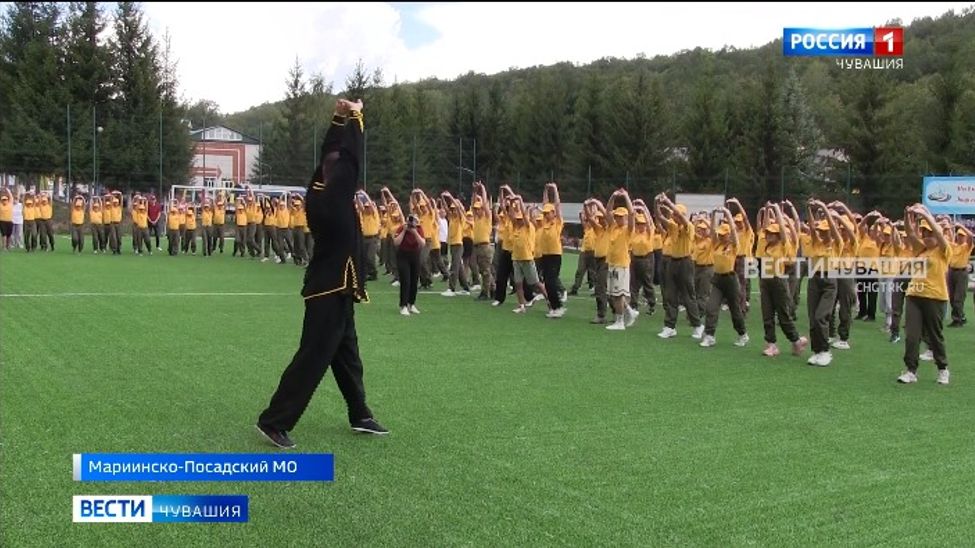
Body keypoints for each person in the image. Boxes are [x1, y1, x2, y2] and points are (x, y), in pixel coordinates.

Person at [257, 98, 387, 449]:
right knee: (313, 357)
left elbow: (332, 154)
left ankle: (359, 413)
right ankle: (274, 421)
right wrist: (358, 115)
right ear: (338, 178)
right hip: (329, 289)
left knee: (347, 355)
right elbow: (351, 158)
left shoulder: (318, 191)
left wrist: (338, 119)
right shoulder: (331, 199)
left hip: (336, 289)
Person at [897, 204, 951, 385]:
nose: (927, 236)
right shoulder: (920, 250)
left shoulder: (944, 251)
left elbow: (940, 235)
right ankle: (911, 370)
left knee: (935, 336)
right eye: (925, 233)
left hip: (935, 298)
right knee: (912, 336)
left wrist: (926, 216)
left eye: (930, 233)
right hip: (914, 296)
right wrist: (907, 215)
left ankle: (943, 368)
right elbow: (910, 233)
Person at [700, 208, 749, 348]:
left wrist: (727, 213)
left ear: (729, 235)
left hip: (731, 280)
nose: (721, 236)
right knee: (711, 307)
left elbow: (734, 230)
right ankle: (710, 336)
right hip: (718, 279)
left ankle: (742, 334)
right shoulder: (717, 244)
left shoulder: (734, 246)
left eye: (724, 235)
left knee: (735, 310)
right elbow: (712, 230)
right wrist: (714, 215)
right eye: (720, 234)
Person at [805, 199, 842, 366]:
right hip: (814, 280)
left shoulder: (836, 244)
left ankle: (826, 351)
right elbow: (812, 227)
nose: (821, 233)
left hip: (829, 281)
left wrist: (823, 207)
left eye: (824, 231)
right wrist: (809, 209)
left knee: (821, 317)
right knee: (813, 318)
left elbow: (834, 230)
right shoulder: (816, 242)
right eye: (820, 230)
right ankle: (817, 351)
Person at [604, 189, 636, 330]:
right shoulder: (613, 227)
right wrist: (613, 196)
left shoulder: (628, 230)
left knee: (618, 294)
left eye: (621, 216)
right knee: (613, 294)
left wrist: (626, 196)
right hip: (612, 263)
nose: (618, 219)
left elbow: (633, 213)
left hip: (621, 264)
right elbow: (607, 211)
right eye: (617, 216)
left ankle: (620, 321)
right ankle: (629, 311)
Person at [395, 213, 425, 315]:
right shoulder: (401, 228)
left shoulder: (419, 229)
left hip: (415, 255)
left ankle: (411, 304)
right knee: (405, 280)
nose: (412, 222)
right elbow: (396, 242)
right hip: (403, 255)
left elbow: (422, 244)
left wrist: (414, 232)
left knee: (414, 281)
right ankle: (403, 305)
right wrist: (404, 230)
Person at [948, 223, 973, 327]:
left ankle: (958, 319)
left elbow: (971, 236)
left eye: (962, 235)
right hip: (952, 272)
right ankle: (960, 317)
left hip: (961, 273)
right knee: (952, 298)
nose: (960, 237)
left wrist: (961, 226)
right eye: (959, 235)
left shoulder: (967, 247)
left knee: (959, 298)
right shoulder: (953, 246)